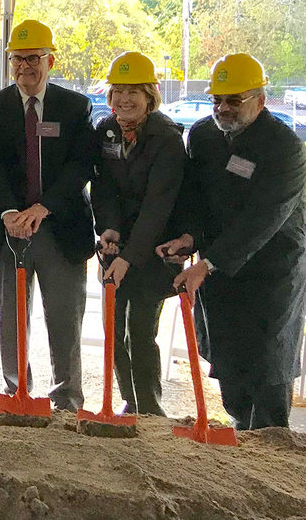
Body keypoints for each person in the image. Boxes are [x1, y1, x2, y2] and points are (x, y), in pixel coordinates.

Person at [157, 53, 306, 430]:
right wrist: (189, 237)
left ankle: (273, 448)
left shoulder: (285, 149)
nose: (222, 109)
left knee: (267, 368)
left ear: (260, 99)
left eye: (233, 100)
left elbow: (263, 220)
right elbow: (195, 196)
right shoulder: (204, 136)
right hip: (217, 272)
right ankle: (242, 435)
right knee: (228, 367)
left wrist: (208, 264)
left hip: (271, 274)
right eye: (216, 100)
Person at [0, 19, 98, 411]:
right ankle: (18, 393)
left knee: (64, 319)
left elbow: (81, 166)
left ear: (50, 59)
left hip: (60, 229)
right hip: (11, 230)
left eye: (33, 58)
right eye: (17, 59)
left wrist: (43, 208)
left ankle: (67, 398)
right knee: (11, 319)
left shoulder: (75, 106)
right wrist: (11, 211)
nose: (25, 67)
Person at [91, 52, 185, 416]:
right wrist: (109, 228)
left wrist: (130, 257)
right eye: (118, 91)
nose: (124, 100)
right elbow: (103, 189)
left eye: (133, 92)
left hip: (153, 250)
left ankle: (149, 408)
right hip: (118, 249)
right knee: (113, 329)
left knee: (140, 332)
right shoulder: (107, 131)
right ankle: (130, 403)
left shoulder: (167, 139)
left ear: (150, 96)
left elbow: (158, 206)